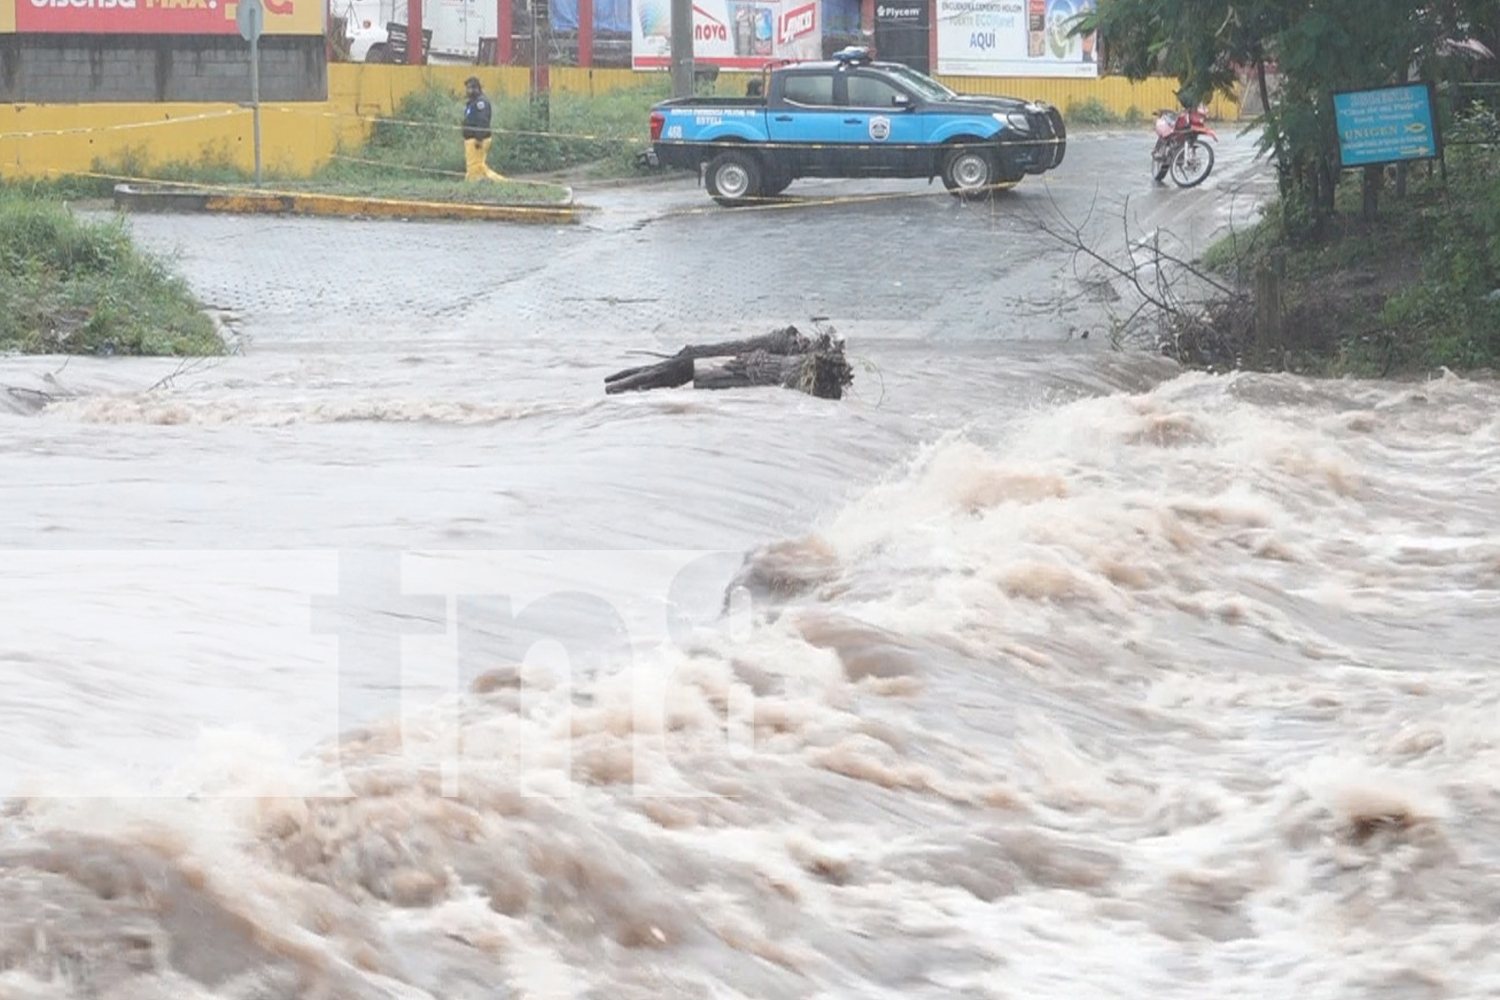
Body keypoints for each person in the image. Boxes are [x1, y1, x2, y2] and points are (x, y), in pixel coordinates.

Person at [462, 77, 506, 182]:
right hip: (471, 139)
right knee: (478, 166)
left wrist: (479, 138)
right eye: (467, 88)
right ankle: (480, 181)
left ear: (477, 88)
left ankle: (498, 182)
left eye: (470, 88)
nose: (468, 91)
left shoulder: (480, 103)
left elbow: (482, 121)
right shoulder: (473, 102)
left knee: (475, 166)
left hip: (477, 139)